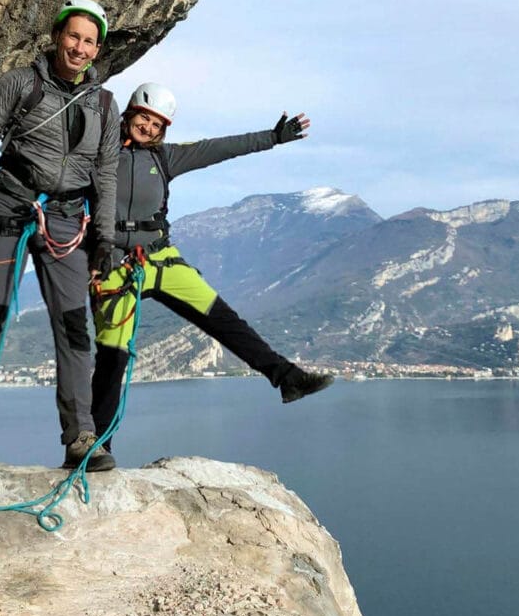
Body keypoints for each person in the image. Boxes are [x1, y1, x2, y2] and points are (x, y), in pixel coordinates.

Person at [86, 83, 334, 470]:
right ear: (129, 114)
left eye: (157, 123)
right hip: (114, 263)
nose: (148, 127)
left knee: (222, 318)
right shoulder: (100, 155)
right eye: (143, 118)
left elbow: (220, 148)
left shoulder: (166, 159)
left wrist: (272, 137)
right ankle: (96, 447)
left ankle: (287, 378)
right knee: (112, 358)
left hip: (159, 257)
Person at [0, 0, 119, 482]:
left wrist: (103, 237)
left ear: (97, 48)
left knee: (74, 327)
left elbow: (106, 173)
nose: (79, 48)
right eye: (73, 37)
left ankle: (80, 434)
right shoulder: (21, 83)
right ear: (57, 36)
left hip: (66, 220)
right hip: (8, 206)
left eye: (89, 41)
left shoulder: (104, 104)